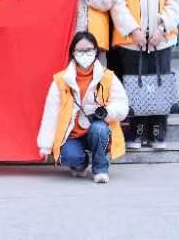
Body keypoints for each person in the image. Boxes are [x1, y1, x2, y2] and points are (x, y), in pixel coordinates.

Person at [111, 0, 179, 150]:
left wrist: (162, 28)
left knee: (160, 85)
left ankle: (158, 132)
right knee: (135, 86)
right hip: (132, 42)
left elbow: (174, 4)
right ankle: (137, 131)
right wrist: (133, 30)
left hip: (161, 41)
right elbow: (118, 5)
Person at [37, 32, 129, 184]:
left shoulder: (108, 77)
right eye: (80, 50)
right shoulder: (60, 80)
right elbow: (51, 114)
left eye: (89, 50)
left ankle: (100, 169)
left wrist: (107, 112)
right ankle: (80, 164)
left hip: (98, 130)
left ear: (96, 51)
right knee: (67, 156)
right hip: (72, 135)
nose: (85, 54)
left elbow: (122, 104)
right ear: (73, 52)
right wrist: (45, 146)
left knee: (100, 129)